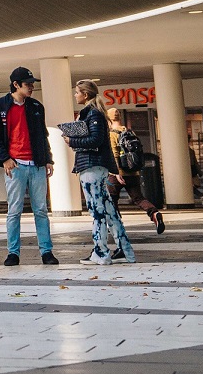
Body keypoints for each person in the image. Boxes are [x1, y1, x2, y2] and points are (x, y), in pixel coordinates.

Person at [0, 66, 56, 266]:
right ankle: (13, 253)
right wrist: (5, 158)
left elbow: (42, 134)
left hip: (37, 164)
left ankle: (47, 252)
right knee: (14, 210)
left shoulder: (36, 106)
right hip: (15, 166)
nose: (31, 87)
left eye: (32, 84)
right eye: (28, 84)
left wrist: (48, 158)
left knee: (41, 209)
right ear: (16, 85)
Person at [61, 79, 135, 265]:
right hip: (96, 166)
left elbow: (95, 140)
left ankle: (101, 252)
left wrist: (73, 141)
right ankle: (124, 250)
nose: (75, 95)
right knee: (109, 209)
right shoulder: (95, 113)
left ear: (85, 95)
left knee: (96, 210)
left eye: (77, 92)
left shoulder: (93, 114)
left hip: (91, 166)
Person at [105, 106, 164, 234]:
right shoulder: (130, 132)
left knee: (111, 199)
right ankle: (154, 213)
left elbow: (114, 154)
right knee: (138, 198)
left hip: (117, 173)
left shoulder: (111, 134)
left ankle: (116, 224)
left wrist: (116, 172)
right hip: (133, 172)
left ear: (108, 118)